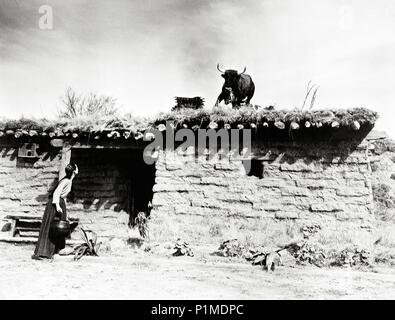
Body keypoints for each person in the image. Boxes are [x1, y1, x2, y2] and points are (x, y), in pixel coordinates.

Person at [32, 163, 78, 260]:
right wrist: (57, 205)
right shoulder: (66, 181)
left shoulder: (68, 180)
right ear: (74, 171)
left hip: (60, 202)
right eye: (76, 168)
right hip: (55, 203)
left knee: (59, 227)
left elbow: (63, 192)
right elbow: (57, 192)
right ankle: (43, 252)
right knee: (51, 226)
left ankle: (56, 250)